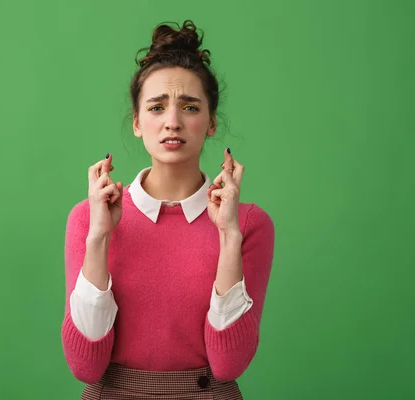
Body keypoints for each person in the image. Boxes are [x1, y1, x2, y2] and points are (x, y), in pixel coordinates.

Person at [61, 20, 275, 400]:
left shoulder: (248, 223)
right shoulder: (89, 217)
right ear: (138, 122)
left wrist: (228, 237)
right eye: (157, 107)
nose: (172, 122)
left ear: (211, 123)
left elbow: (228, 365)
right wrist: (99, 238)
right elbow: (85, 366)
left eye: (189, 107)